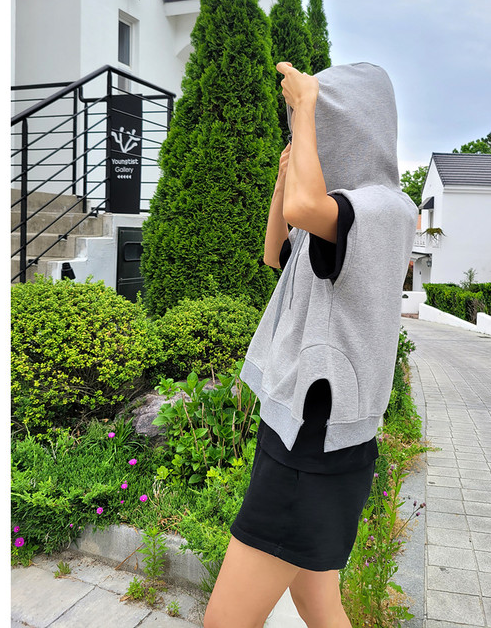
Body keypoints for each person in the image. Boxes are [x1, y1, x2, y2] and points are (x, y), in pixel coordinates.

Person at [203, 61, 418, 628]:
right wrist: (284, 176)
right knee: (317, 604)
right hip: (304, 434)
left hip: (313, 447)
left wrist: (304, 108)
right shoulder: (339, 210)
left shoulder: (383, 208)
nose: (312, 135)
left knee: (225, 622)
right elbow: (276, 252)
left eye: (323, 123)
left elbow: (305, 209)